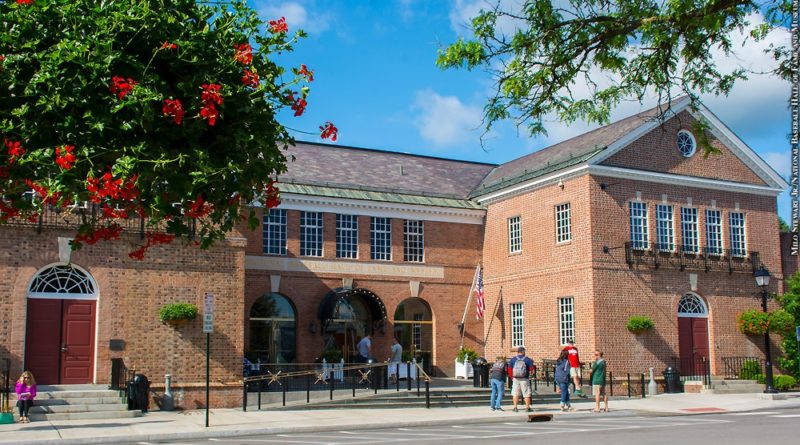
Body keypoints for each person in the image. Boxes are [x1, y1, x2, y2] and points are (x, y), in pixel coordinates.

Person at [507, 346, 535, 412]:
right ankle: (527, 407)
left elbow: (509, 369)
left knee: (515, 393)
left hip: (515, 378)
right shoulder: (528, 359)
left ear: (518, 352)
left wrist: (512, 377)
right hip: (524, 378)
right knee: (526, 393)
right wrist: (531, 375)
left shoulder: (513, 359)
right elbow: (532, 369)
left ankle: (515, 407)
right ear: (523, 352)